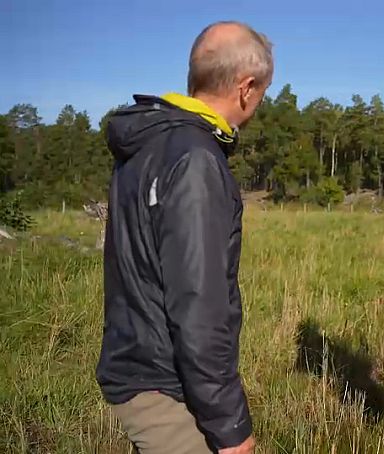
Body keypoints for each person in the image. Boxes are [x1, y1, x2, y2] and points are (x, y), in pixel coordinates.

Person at [96, 21, 273, 454]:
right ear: (246, 88)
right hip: (168, 387)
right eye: (263, 93)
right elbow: (198, 303)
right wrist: (230, 427)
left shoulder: (151, 144)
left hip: (140, 371)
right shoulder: (196, 160)